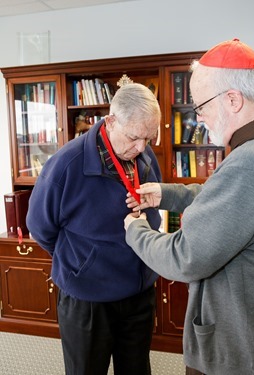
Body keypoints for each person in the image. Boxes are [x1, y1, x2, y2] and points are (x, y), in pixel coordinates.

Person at [124, 39, 254, 375]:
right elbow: (230, 208)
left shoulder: (249, 161)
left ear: (232, 99)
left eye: (200, 106)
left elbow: (183, 257)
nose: (198, 119)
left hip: (237, 349)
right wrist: (167, 193)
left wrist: (136, 230)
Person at [26, 82, 162, 375]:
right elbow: (40, 228)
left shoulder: (145, 156)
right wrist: (83, 262)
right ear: (110, 121)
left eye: (149, 138)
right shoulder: (65, 164)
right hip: (88, 299)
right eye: (135, 137)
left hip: (138, 292)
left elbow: (154, 213)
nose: (142, 147)